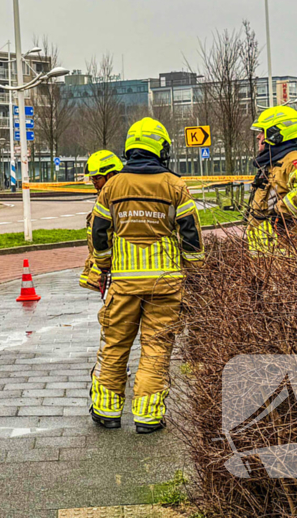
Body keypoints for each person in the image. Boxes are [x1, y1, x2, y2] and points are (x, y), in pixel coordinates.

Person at [88, 118, 204, 433]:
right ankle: (148, 417)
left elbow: (99, 232)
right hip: (165, 284)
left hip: (123, 285)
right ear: (161, 148)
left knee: (114, 345)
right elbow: (191, 235)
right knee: (156, 348)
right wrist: (195, 271)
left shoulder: (112, 186)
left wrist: (105, 264)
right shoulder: (174, 185)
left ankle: (106, 411)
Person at [246, 106, 297, 256]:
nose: (259, 137)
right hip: (266, 251)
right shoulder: (272, 162)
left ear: (276, 134)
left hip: (288, 250)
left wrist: (281, 213)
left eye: (263, 132)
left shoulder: (293, 160)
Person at [80, 150, 123, 293]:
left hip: (116, 269)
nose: (94, 183)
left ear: (110, 175)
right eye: (92, 179)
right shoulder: (103, 197)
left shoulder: (118, 199)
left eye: (97, 178)